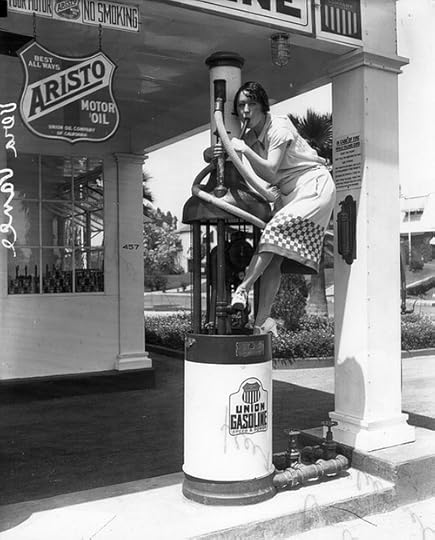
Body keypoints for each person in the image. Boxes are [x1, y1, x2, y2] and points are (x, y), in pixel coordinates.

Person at [228, 81, 336, 336]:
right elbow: (251, 174)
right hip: (289, 194)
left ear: (263, 106)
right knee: (272, 255)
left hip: (313, 187)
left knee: (273, 233)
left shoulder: (278, 127)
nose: (246, 110)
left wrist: (244, 150)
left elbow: (270, 170)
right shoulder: (252, 138)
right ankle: (261, 324)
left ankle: (242, 289)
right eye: (241, 105)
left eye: (252, 104)